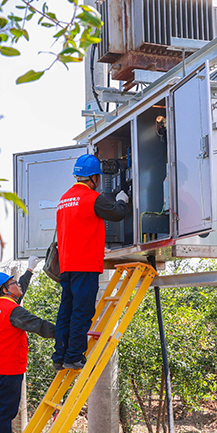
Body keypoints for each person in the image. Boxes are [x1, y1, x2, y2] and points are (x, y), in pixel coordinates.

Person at [52, 153, 129, 371]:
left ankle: (60, 356)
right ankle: (74, 356)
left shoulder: (64, 199)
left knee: (66, 310)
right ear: (94, 177)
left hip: (67, 265)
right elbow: (116, 214)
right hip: (85, 264)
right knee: (82, 311)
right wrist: (122, 200)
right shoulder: (92, 198)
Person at [0, 256, 56, 433]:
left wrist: (30, 271)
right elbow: (40, 326)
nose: (17, 284)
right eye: (13, 283)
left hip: (0, 367)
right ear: (5, 289)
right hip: (8, 370)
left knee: (2, 410)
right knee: (5, 412)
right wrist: (69, 333)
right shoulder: (13, 311)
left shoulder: (2, 305)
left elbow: (20, 290)